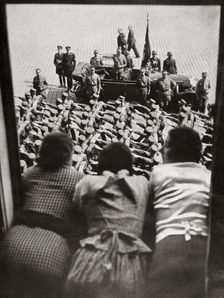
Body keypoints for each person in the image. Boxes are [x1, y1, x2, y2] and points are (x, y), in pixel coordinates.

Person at [0, 132, 83, 298]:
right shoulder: (78, 179)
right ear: (69, 154)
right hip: (50, 255)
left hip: (12, 245)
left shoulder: (30, 173)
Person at [65, 142, 152, 298]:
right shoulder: (142, 184)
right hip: (130, 262)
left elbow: (76, 214)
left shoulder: (87, 183)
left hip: (91, 260)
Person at [147, 126, 211, 298]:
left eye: (166, 145)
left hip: (168, 247)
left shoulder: (159, 172)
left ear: (171, 149)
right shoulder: (208, 177)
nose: (161, 149)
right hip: (201, 249)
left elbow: (149, 216)